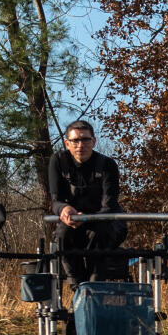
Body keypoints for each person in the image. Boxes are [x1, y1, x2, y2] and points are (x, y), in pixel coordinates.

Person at [48, 120, 128, 283]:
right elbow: (55, 201)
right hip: (72, 224)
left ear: (93, 141)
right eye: (75, 141)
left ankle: (94, 286)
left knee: (98, 234)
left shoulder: (107, 165)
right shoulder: (58, 161)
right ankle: (78, 288)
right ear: (67, 143)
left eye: (85, 140)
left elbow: (110, 205)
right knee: (62, 236)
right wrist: (64, 209)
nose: (80, 145)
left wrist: (85, 219)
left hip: (105, 223)